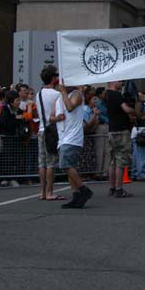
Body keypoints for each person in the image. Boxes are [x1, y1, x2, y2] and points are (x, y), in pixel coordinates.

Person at [52, 80, 93, 209]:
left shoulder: (77, 94)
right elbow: (50, 117)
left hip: (73, 137)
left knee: (65, 164)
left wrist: (64, 92)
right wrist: (57, 117)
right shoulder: (59, 99)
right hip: (63, 136)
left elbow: (70, 108)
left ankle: (83, 189)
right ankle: (76, 195)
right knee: (70, 168)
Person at [35, 65, 62, 201]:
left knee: (42, 162)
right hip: (52, 130)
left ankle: (42, 192)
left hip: (41, 129)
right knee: (51, 162)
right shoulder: (57, 94)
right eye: (56, 75)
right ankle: (50, 191)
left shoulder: (38, 94)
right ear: (53, 78)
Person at [105, 81, 135, 198]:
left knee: (113, 161)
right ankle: (119, 189)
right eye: (120, 81)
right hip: (121, 130)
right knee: (121, 161)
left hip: (112, 130)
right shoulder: (116, 95)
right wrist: (134, 111)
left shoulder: (107, 95)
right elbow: (126, 109)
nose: (122, 83)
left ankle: (112, 187)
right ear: (114, 81)